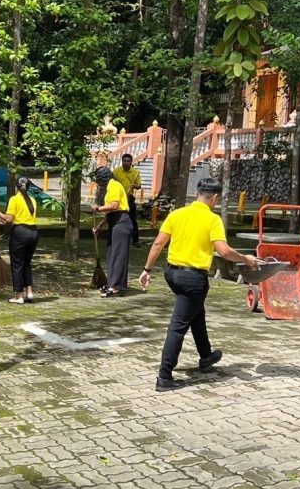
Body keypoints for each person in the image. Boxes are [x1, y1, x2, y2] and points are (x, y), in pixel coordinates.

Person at [139, 178, 264, 392]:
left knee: (196, 312)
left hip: (172, 274)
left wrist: (147, 270)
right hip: (193, 279)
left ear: (197, 194)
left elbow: (158, 243)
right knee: (178, 326)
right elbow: (224, 251)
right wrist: (245, 258)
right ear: (214, 198)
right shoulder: (212, 219)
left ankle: (206, 356)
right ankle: (164, 376)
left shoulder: (177, 214)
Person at [0, 176, 39, 304]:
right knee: (27, 263)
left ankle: (19, 296)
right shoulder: (32, 200)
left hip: (20, 233)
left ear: (17, 187)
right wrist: (4, 218)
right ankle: (29, 292)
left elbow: (9, 219)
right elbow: (19, 217)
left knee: (17, 264)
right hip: (33, 232)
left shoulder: (14, 199)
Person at [92, 166, 132, 297]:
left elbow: (114, 206)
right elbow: (110, 213)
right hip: (114, 221)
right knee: (112, 254)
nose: (98, 183)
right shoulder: (109, 187)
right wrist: (99, 226)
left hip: (121, 222)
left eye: (98, 179)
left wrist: (98, 208)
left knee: (118, 255)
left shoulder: (114, 185)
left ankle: (115, 287)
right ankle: (112, 283)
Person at [113, 153, 142, 247]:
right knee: (116, 218)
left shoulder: (135, 172)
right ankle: (115, 239)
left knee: (132, 219)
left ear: (131, 162)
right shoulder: (116, 171)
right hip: (118, 199)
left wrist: (135, 186)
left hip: (129, 198)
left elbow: (139, 185)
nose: (126, 163)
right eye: (124, 161)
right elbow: (112, 183)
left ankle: (135, 240)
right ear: (122, 161)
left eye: (128, 161)